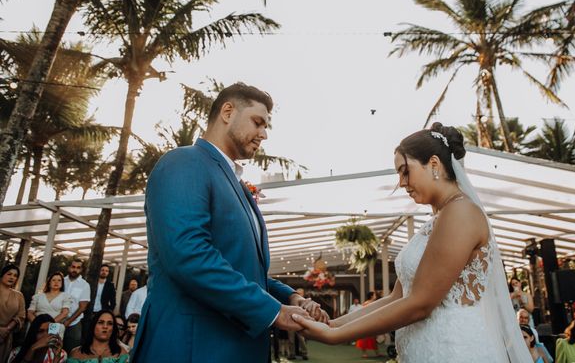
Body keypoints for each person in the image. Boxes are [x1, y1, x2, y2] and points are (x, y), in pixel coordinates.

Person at [293, 124, 532, 362]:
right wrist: (334, 324)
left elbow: (421, 303)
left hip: (453, 351)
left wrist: (335, 337)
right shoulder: (439, 219)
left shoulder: (461, 213)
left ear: (435, 164)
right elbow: (397, 297)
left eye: (405, 171)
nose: (402, 182)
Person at [132, 83, 327, 362]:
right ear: (227, 112)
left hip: (235, 348)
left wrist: (291, 298)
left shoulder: (235, 183)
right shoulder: (184, 162)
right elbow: (189, 256)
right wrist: (272, 311)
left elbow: (244, 270)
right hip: (193, 348)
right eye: (258, 122)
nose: (264, 134)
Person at [63, 259, 91, 354]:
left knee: (71, 352)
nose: (75, 270)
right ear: (69, 268)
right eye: (73, 267)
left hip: (74, 323)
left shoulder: (85, 285)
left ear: (81, 270)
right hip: (56, 320)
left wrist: (68, 321)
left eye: (78, 267)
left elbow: (83, 307)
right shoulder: (61, 281)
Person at [0, 264, 26, 363]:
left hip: (5, 338)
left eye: (15, 276)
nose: (12, 277)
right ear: (2, 275)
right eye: (9, 274)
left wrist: (6, 330)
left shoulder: (19, 295)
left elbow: (21, 316)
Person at [354, 292, 382, 358]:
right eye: (374, 295)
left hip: (372, 322)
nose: (375, 296)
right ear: (371, 296)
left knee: (373, 338)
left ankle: (377, 353)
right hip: (366, 322)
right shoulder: (366, 303)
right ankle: (365, 353)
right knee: (364, 338)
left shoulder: (374, 303)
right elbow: (363, 313)